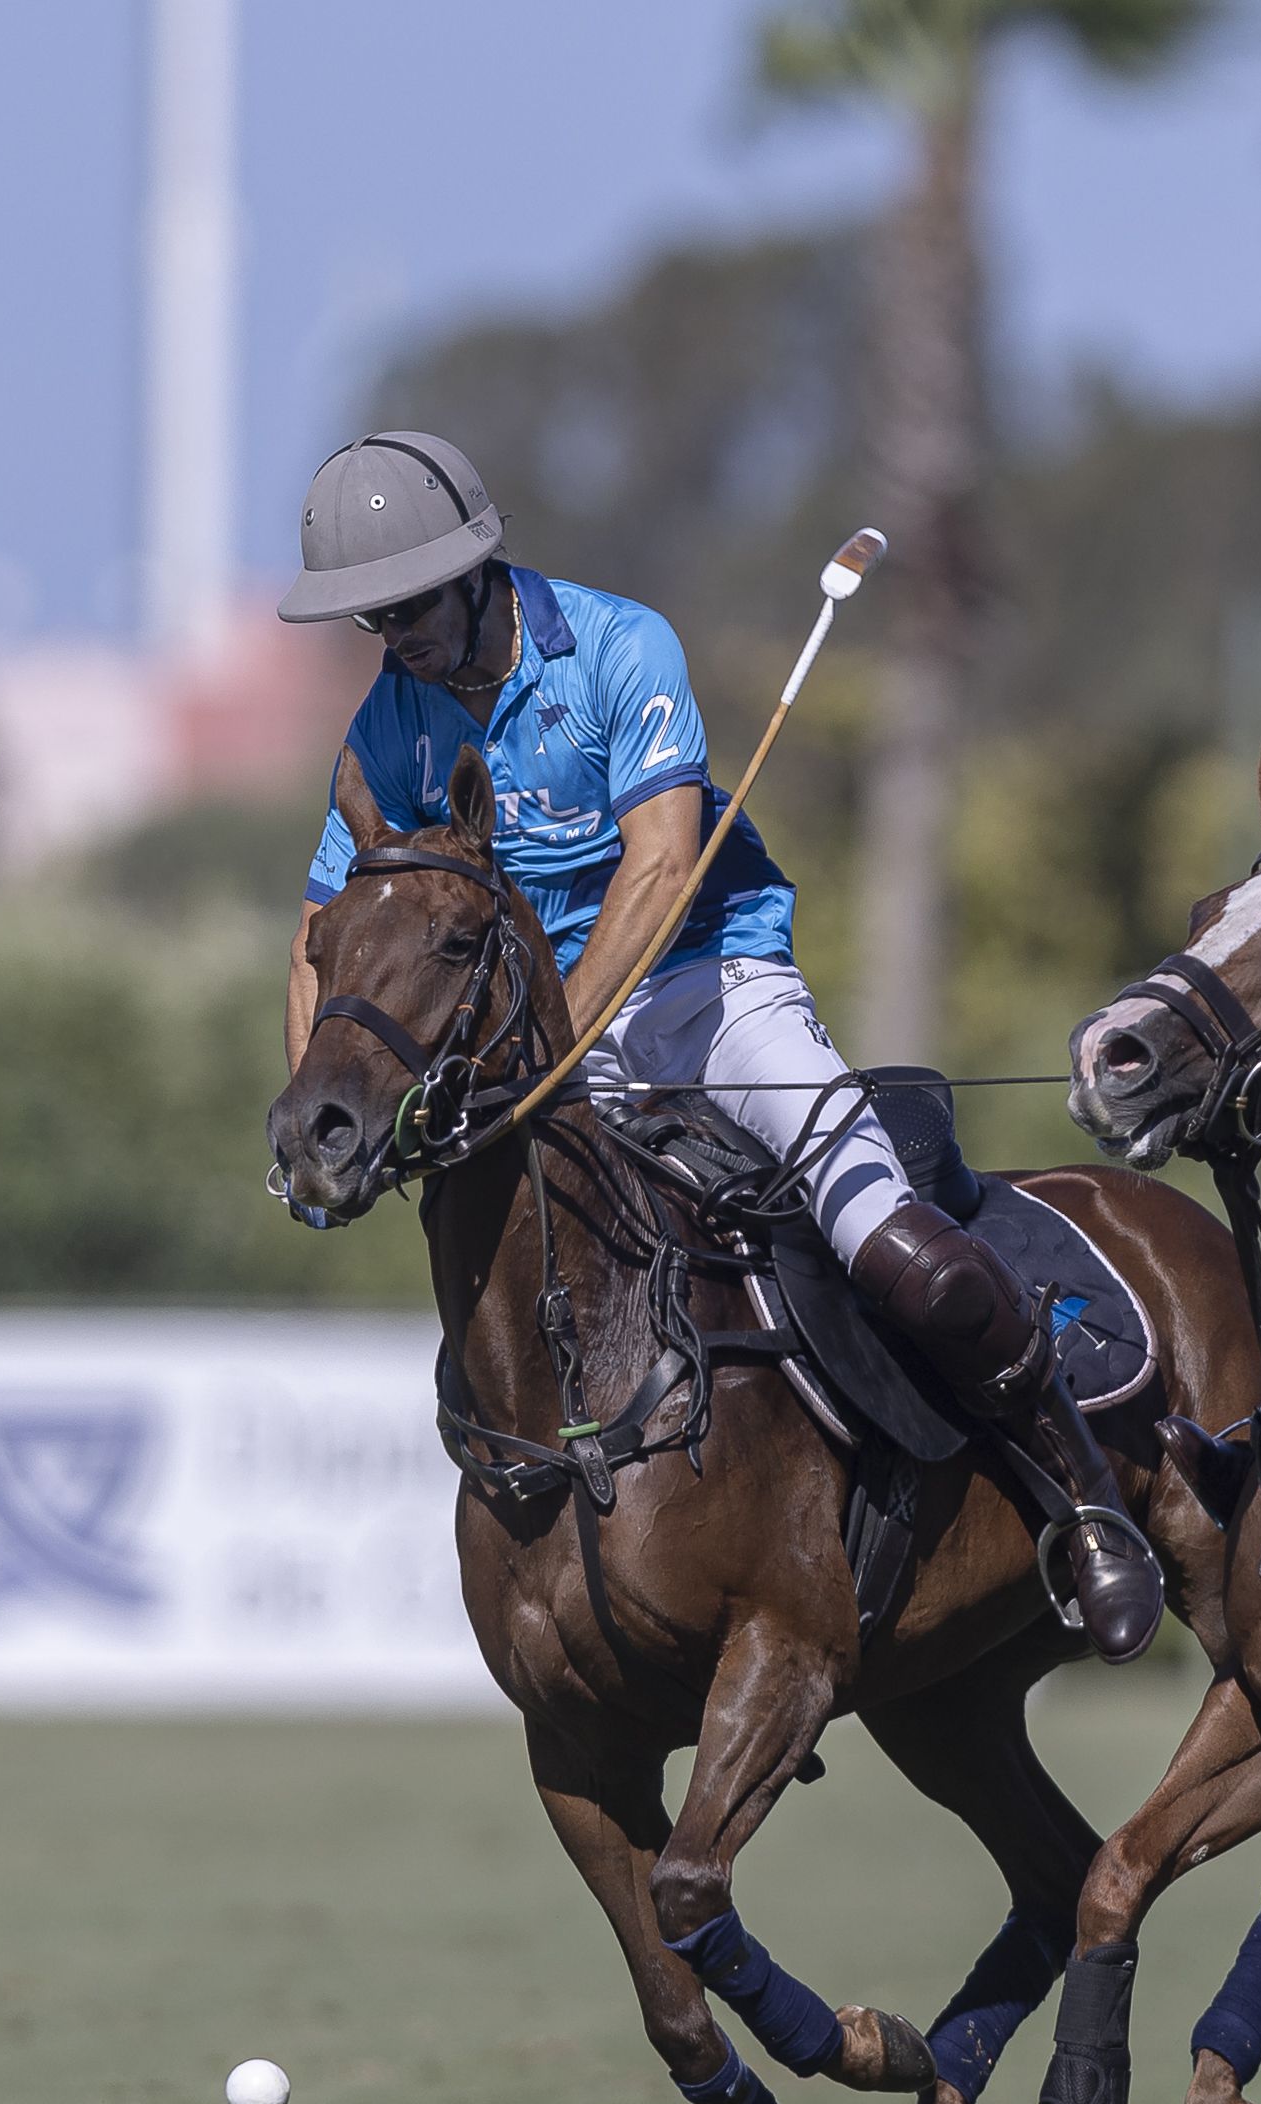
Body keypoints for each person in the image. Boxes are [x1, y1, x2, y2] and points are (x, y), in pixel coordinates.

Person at [276, 430, 1163, 1662]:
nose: (398, 635)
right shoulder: (390, 727)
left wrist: (545, 1054)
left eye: (411, 604)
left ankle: (1086, 1503)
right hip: (549, 1036)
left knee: (884, 1234)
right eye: (372, 618)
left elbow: (662, 864)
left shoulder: (617, 647)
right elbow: (324, 931)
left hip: (706, 986)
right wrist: (326, 1125)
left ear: (479, 568)